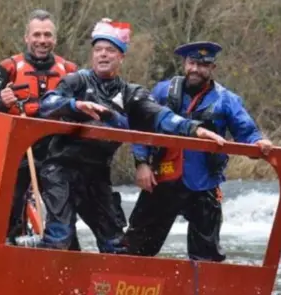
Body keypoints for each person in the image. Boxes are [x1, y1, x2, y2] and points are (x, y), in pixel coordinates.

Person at [28, 18, 226, 252]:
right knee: (61, 236)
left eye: (110, 50)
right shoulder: (77, 80)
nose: (103, 55)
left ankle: (112, 285)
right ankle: (35, 272)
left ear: (121, 56)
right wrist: (75, 106)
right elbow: (47, 104)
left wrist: (195, 129)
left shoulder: (132, 93)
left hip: (97, 173)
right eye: (98, 50)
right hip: (61, 168)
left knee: (115, 244)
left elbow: (161, 115)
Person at [122, 41, 273, 262]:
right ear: (184, 64)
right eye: (192, 63)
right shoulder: (162, 91)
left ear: (213, 68)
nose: (195, 69)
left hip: (204, 182)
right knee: (135, 246)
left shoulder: (227, 100)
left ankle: (202, 293)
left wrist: (259, 142)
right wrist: (142, 163)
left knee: (207, 255)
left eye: (203, 65)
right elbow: (142, 124)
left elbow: (247, 131)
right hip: (162, 178)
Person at [0, 9, 78, 244]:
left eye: (47, 35)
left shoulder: (71, 71)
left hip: (57, 151)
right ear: (26, 37)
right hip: (19, 151)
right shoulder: (8, 68)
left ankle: (66, 257)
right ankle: (5, 248)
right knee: (9, 207)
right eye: (37, 35)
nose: (42, 41)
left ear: (55, 38)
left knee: (63, 213)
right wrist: (2, 102)